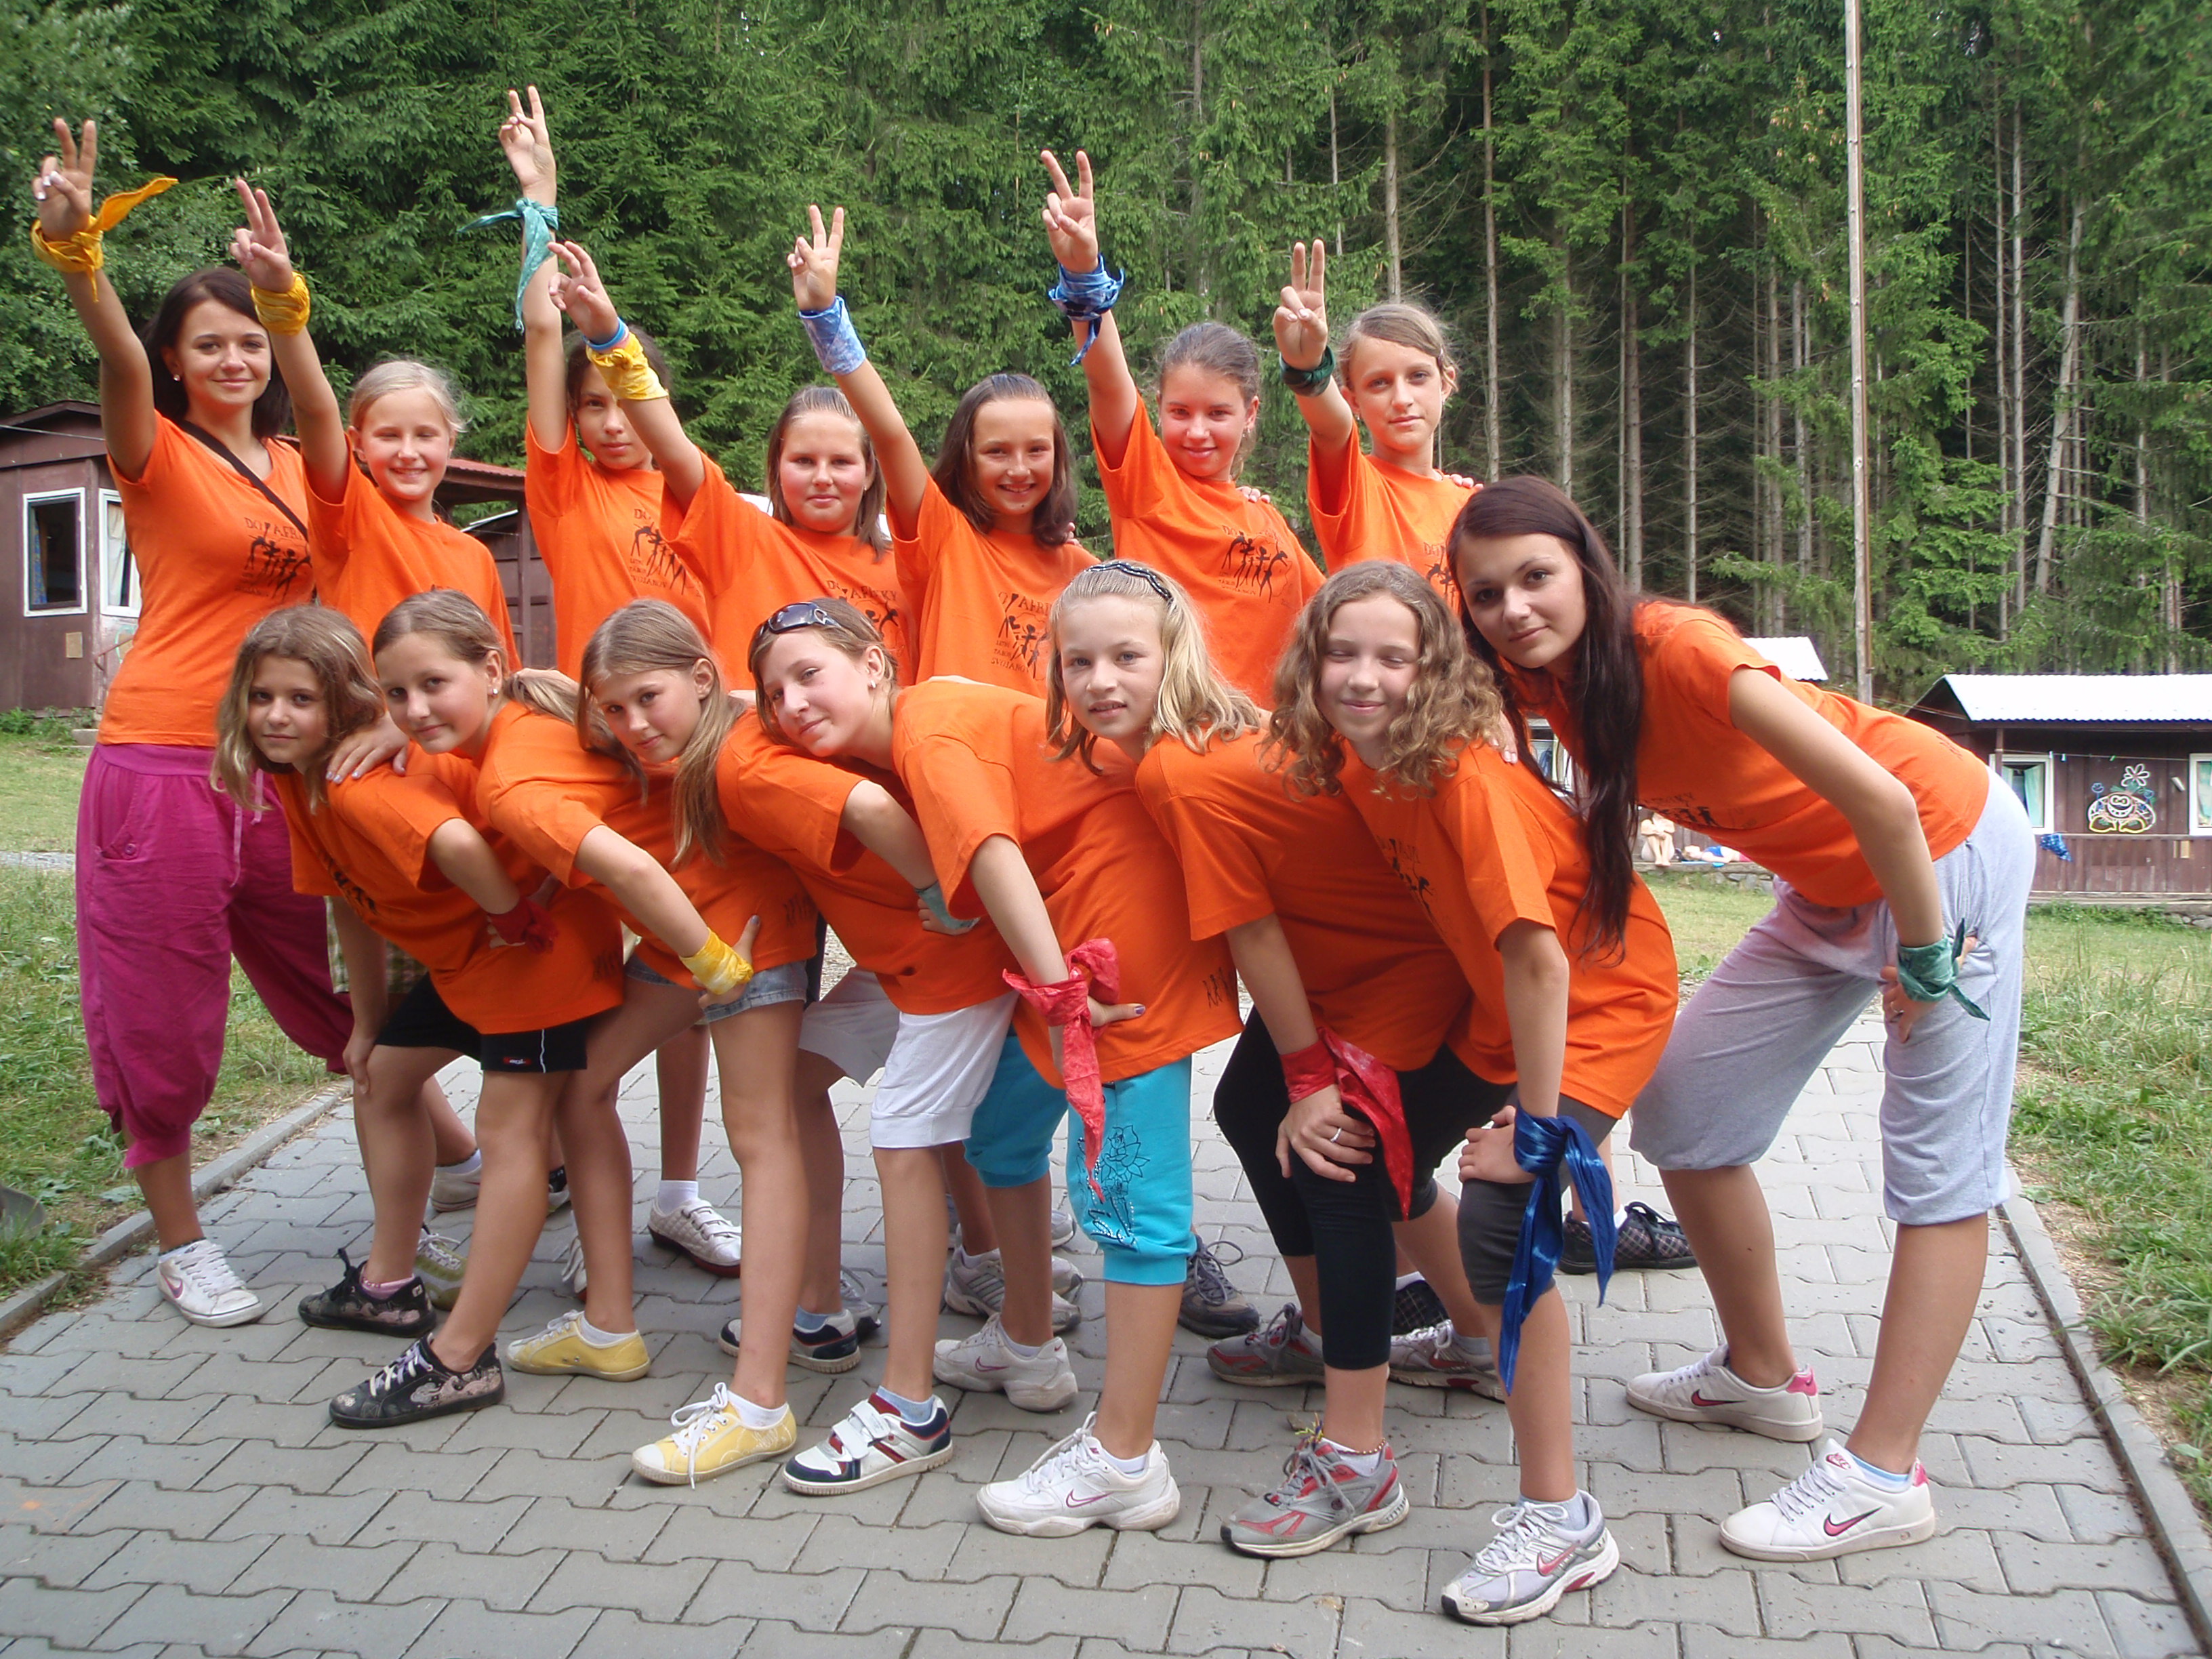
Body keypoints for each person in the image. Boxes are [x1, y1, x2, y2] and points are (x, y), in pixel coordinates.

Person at [1451, 475, 2034, 1562]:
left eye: (1535, 577)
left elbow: (1884, 801)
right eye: (1487, 594)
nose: (1514, 608)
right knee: (1688, 1108)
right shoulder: (1546, 679)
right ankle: (1762, 1377)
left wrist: (1923, 957)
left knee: (1938, 1164)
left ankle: (1884, 1474)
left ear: (1587, 567)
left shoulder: (1679, 651)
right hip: (1826, 885)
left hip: (1940, 855)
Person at [541, 233, 950, 1332]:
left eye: (842, 460)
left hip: (879, 856)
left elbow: (916, 459)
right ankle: (814, 1293)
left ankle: (984, 1259)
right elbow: (667, 439)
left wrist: (832, 324)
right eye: (802, 460)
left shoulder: (901, 564)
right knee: (790, 1088)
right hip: (758, 847)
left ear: (867, 474)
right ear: (773, 472)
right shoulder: (735, 535)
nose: (824, 476)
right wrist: (606, 335)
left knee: (944, 1053)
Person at [1273, 561, 1679, 1624]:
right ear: (1311, 661)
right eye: (1342, 653)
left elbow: (1543, 963)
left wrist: (1535, 1133)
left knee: (1506, 1221)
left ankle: (1561, 1518)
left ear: (1437, 673)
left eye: (1394, 659)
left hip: (1593, 1003)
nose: (1364, 678)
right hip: (1501, 1001)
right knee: (1372, 1151)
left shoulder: (1462, 780)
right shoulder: (1358, 759)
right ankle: (1467, 1341)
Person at [31, 119, 359, 1326]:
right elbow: (115, 357)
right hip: (163, 757)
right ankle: (181, 1240)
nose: (233, 359)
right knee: (160, 1001)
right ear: (176, 359)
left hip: (284, 761)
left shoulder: (299, 455)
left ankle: (453, 1145)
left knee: (333, 971)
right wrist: (79, 255)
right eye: (207, 343)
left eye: (247, 342)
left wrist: (287, 301)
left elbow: (323, 408)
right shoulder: (154, 449)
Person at [323, 591, 763, 1429]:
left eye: (432, 685)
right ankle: (610, 1327)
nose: (415, 709)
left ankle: (460, 1356)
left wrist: (718, 965)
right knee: (581, 1097)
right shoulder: (533, 716)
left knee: (526, 1130)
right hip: (676, 927)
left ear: (491, 669)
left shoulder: (511, 781)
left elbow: (629, 867)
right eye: (397, 692)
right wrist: (397, 727)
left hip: (695, 931)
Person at [1134, 598, 1512, 1437]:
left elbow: (1251, 928)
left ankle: (1366, 1428)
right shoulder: (1241, 736)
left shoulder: (1175, 770)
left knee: (1344, 1166)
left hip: (1406, 979)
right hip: (1336, 968)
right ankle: (1358, 1333)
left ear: (1177, 660)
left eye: (1128, 658)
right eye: (1076, 663)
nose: (1100, 683)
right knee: (1250, 1109)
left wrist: (1311, 1080)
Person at [212, 606, 611, 1337]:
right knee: (382, 1078)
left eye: (301, 699)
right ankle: (389, 1282)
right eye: (261, 696)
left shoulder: (360, 783)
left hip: (533, 954)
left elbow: (456, 841)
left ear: (343, 704)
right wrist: (366, 1025)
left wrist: (510, 915)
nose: (276, 716)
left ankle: (517, 1311)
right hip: (466, 966)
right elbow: (348, 905)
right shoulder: (300, 783)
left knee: (522, 1129)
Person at [495, 89, 734, 1279]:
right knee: (582, 955)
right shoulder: (564, 491)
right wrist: (540, 206)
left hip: (690, 757)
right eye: (590, 408)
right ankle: (555, 1159)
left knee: (687, 967)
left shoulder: (695, 490)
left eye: (622, 401)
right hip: (602, 753)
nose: (608, 422)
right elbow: (545, 340)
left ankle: (679, 1188)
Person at [746, 602, 1026, 1495]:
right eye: (774, 692)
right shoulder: (859, 742)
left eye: (809, 675)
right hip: (903, 966)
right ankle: (994, 1303)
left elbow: (989, 860)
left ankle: (909, 1404)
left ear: (873, 664)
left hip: (962, 961)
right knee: (797, 1080)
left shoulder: (923, 732)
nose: (791, 704)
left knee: (904, 1137)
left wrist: (1056, 986)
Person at [560, 602, 830, 1484]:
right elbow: (524, 696)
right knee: (580, 1085)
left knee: (761, 1139)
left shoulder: (748, 741)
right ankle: (609, 1325)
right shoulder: (653, 748)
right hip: (680, 950)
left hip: (756, 954)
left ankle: (759, 1402)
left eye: (649, 698)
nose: (634, 724)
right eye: (614, 708)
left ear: (702, 679)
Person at [1038, 149, 1321, 701]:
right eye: (1180, 413)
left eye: (1218, 414)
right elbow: (1107, 380)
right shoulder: (1146, 485)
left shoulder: (1268, 520)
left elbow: (1328, 612)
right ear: (1158, 407)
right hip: (1180, 729)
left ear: (1251, 414)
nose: (1196, 432)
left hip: (1269, 736)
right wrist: (1084, 275)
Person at [226, 186, 516, 666]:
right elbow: (314, 408)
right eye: (388, 436)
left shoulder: (476, 557)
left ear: (450, 442)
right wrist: (280, 301)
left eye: (425, 435)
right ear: (357, 445)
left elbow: (498, 673)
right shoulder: (351, 516)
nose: (408, 452)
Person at [1273, 242, 1473, 597]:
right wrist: (1307, 368)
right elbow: (1331, 428)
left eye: (1418, 376)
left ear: (1446, 383)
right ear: (1353, 400)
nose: (1402, 399)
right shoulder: (1353, 487)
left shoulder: (1473, 504)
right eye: (1379, 383)